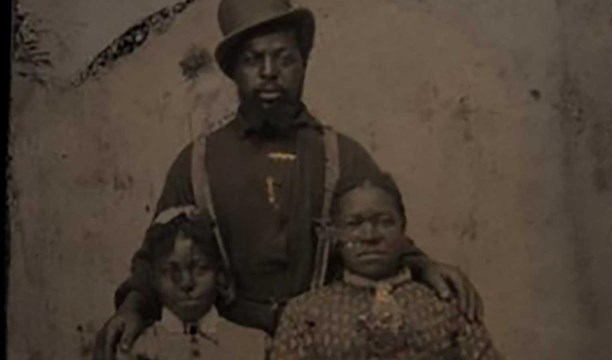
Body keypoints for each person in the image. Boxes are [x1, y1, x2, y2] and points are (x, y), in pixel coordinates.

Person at [94, 0, 483, 359]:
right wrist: (133, 307)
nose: (268, 73)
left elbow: (377, 227)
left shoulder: (340, 154)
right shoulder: (197, 161)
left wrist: (424, 265)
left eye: (284, 58)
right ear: (233, 72)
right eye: (253, 59)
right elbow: (158, 253)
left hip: (322, 343)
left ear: (304, 64)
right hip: (230, 344)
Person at [271, 173, 501, 360]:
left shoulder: (445, 305)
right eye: (354, 223)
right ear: (335, 234)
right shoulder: (306, 313)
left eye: (384, 222)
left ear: (403, 228)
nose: (370, 236)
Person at [118, 206, 265, 360]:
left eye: (200, 268)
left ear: (220, 275)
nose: (187, 283)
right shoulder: (139, 349)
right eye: (172, 271)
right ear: (154, 280)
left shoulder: (253, 343)